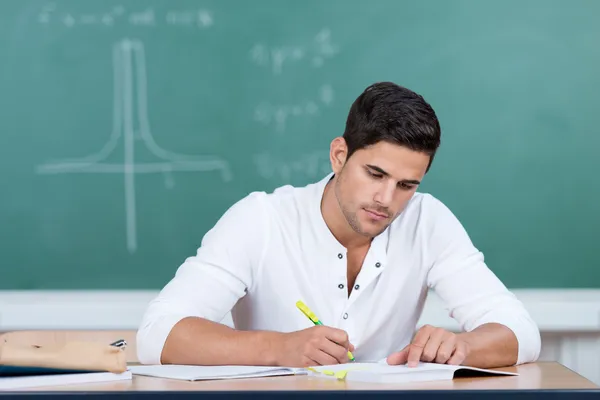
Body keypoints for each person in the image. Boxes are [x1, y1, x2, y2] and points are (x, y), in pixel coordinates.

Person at [136, 81, 541, 368]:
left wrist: (462, 346)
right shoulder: (261, 219)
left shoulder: (427, 220)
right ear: (338, 154)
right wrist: (280, 348)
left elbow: (521, 332)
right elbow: (158, 334)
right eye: (375, 174)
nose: (387, 199)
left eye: (406, 185)